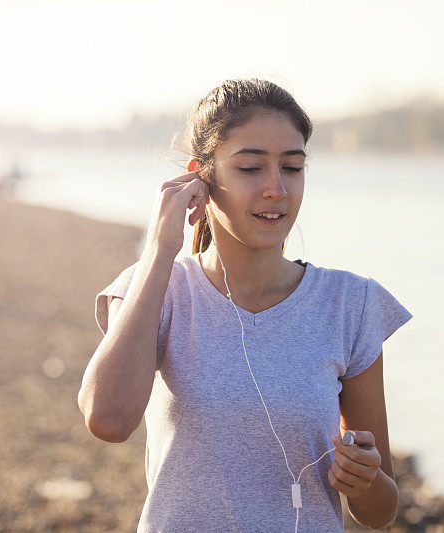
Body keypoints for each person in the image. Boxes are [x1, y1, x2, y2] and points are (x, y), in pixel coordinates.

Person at [78, 78, 413, 532]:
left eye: (292, 168)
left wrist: (365, 479)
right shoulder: (153, 289)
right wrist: (160, 247)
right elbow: (108, 420)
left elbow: (380, 512)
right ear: (202, 177)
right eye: (251, 169)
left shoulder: (349, 304)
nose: (276, 188)